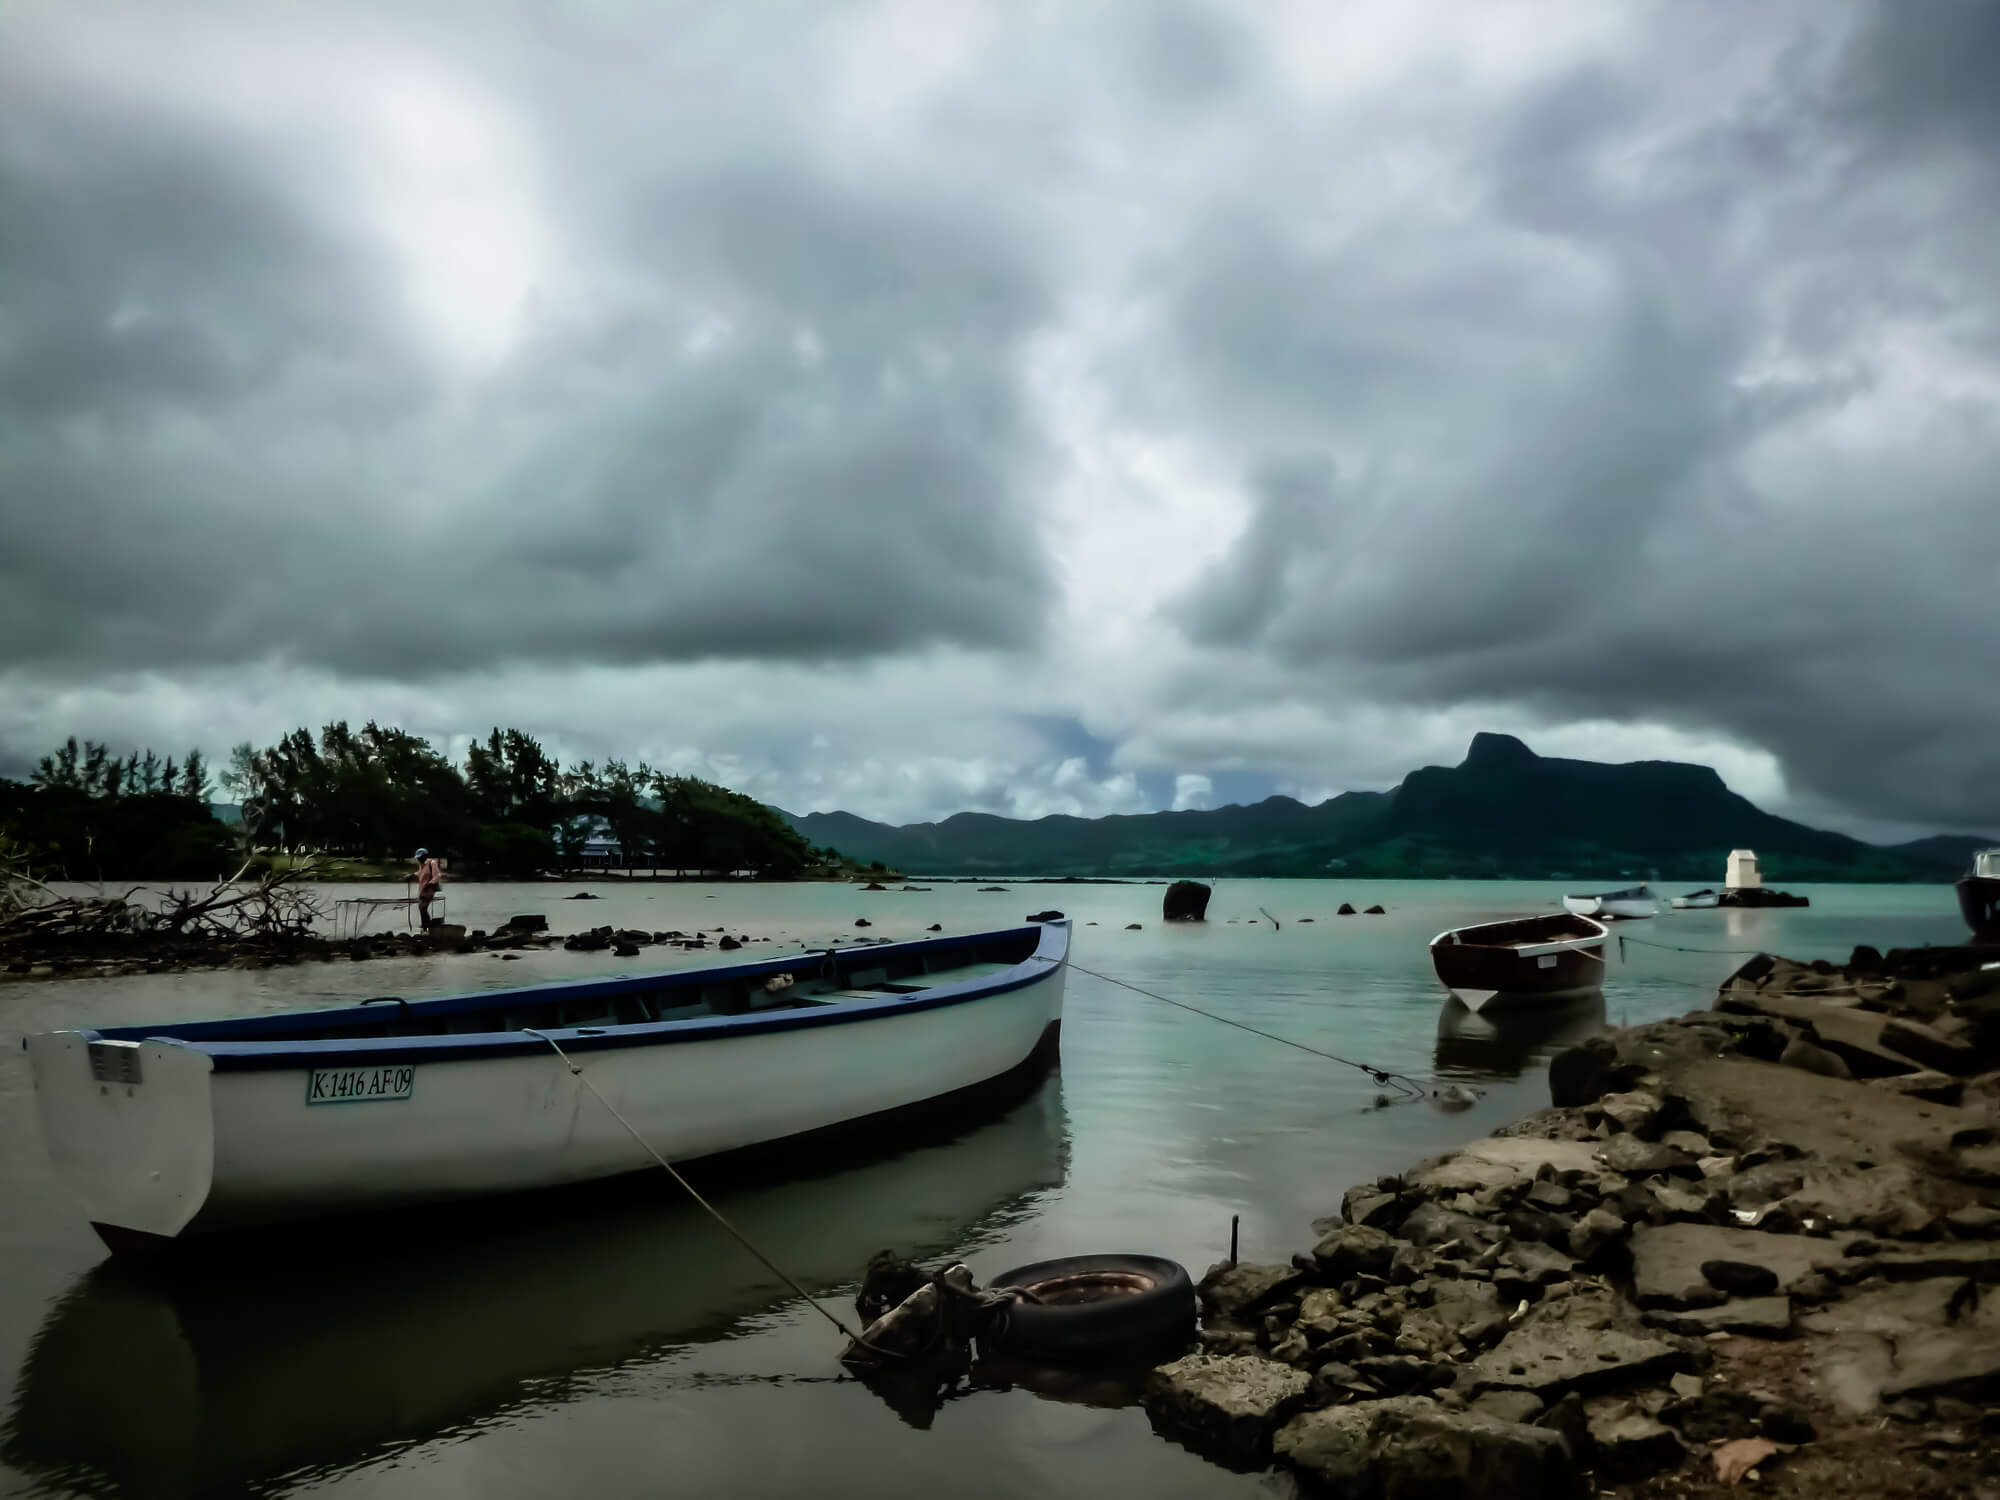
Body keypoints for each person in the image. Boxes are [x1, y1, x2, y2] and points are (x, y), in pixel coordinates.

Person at [412, 847, 443, 931]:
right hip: (422, 889)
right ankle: (425, 926)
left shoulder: (432, 863)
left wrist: (429, 884)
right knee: (421, 908)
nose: (419, 859)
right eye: (418, 858)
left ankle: (427, 927)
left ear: (425, 856)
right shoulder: (421, 864)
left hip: (429, 889)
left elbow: (437, 876)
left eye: (420, 857)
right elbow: (420, 873)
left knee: (423, 907)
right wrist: (412, 875)